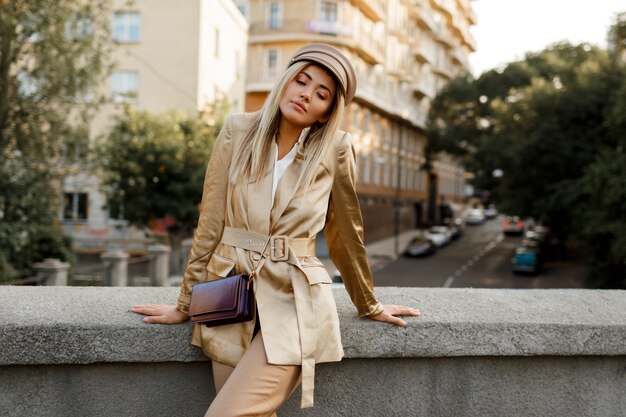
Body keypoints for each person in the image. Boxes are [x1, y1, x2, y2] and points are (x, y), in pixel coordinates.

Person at [132, 43, 420, 416]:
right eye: (302, 81)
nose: (306, 94)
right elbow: (210, 223)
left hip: (296, 298)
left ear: (325, 113)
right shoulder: (238, 130)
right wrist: (185, 304)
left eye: (321, 94)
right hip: (229, 294)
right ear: (286, 81)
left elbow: (346, 233)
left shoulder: (335, 148)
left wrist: (368, 303)